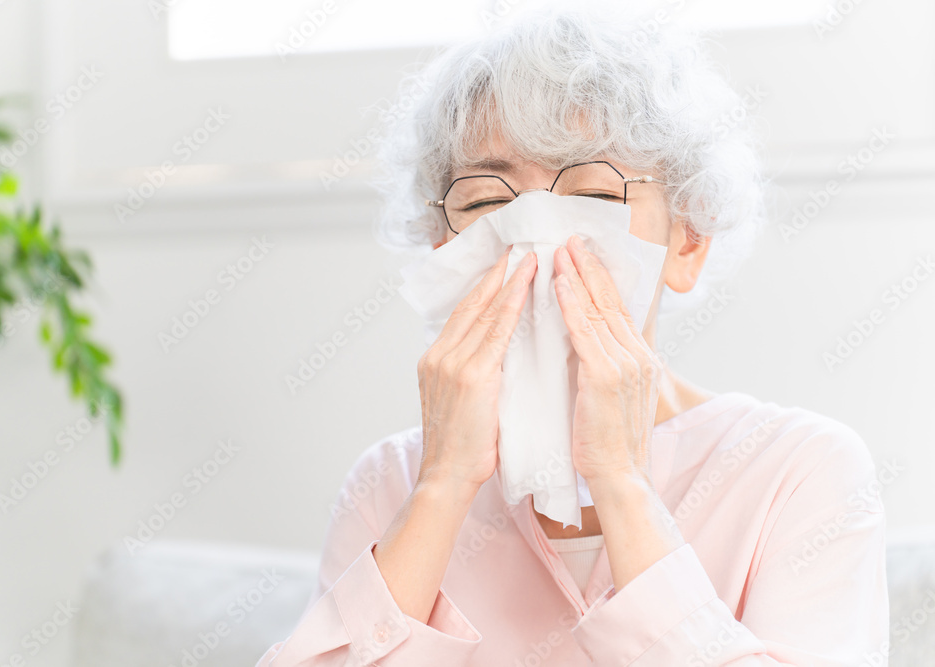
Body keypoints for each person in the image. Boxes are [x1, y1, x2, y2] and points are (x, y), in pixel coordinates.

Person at [256, 2, 889, 665]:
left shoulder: (800, 470)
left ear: (688, 240)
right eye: (487, 201)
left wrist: (621, 481)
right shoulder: (389, 483)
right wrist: (441, 485)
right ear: (444, 247)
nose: (536, 234)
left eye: (593, 195)